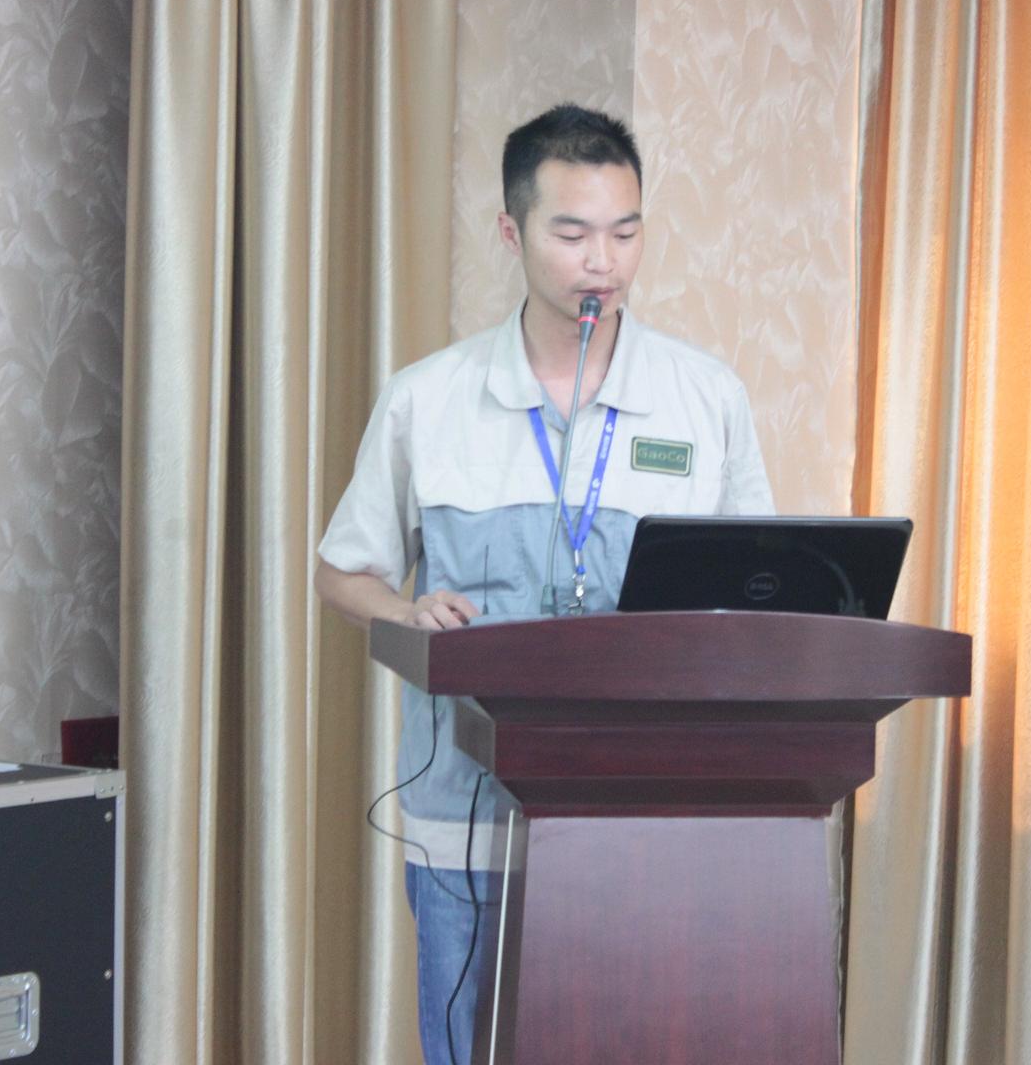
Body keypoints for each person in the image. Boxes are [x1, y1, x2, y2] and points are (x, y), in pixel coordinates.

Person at [314, 103, 774, 1064]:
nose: (602, 261)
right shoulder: (429, 399)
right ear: (511, 232)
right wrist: (404, 609)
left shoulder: (704, 399)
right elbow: (342, 569)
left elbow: (755, 587)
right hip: (467, 822)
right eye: (571, 234)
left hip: (650, 824)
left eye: (625, 232)